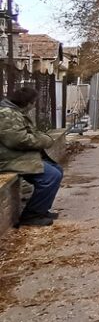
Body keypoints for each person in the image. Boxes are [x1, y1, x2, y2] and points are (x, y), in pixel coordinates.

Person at [0, 87, 63, 227]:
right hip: (8, 159)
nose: (34, 105)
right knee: (51, 176)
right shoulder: (6, 114)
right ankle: (31, 216)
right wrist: (44, 141)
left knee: (57, 170)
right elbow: (17, 139)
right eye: (34, 102)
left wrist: (41, 137)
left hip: (16, 156)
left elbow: (27, 134)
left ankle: (41, 210)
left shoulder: (14, 112)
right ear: (28, 103)